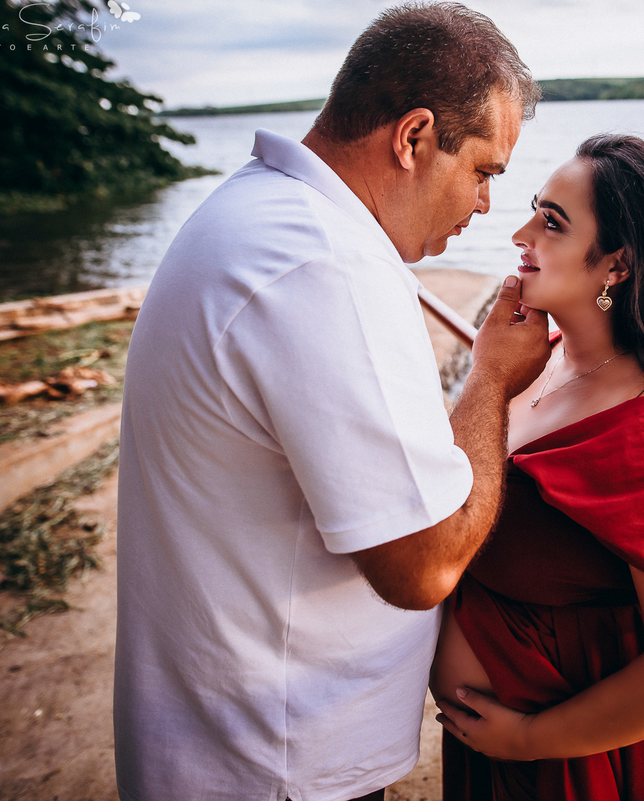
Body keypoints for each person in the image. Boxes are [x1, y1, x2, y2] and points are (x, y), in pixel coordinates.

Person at [113, 4, 549, 801]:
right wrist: (491, 380)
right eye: (484, 171)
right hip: (277, 760)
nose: (486, 206)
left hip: (224, 729)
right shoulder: (324, 269)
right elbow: (424, 562)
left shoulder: (254, 212)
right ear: (414, 137)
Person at [431, 134, 644, 800]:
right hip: (497, 751)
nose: (519, 232)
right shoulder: (542, 357)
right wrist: (489, 371)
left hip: (575, 766)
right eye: (536, 210)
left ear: (617, 265)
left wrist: (529, 739)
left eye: (552, 223)